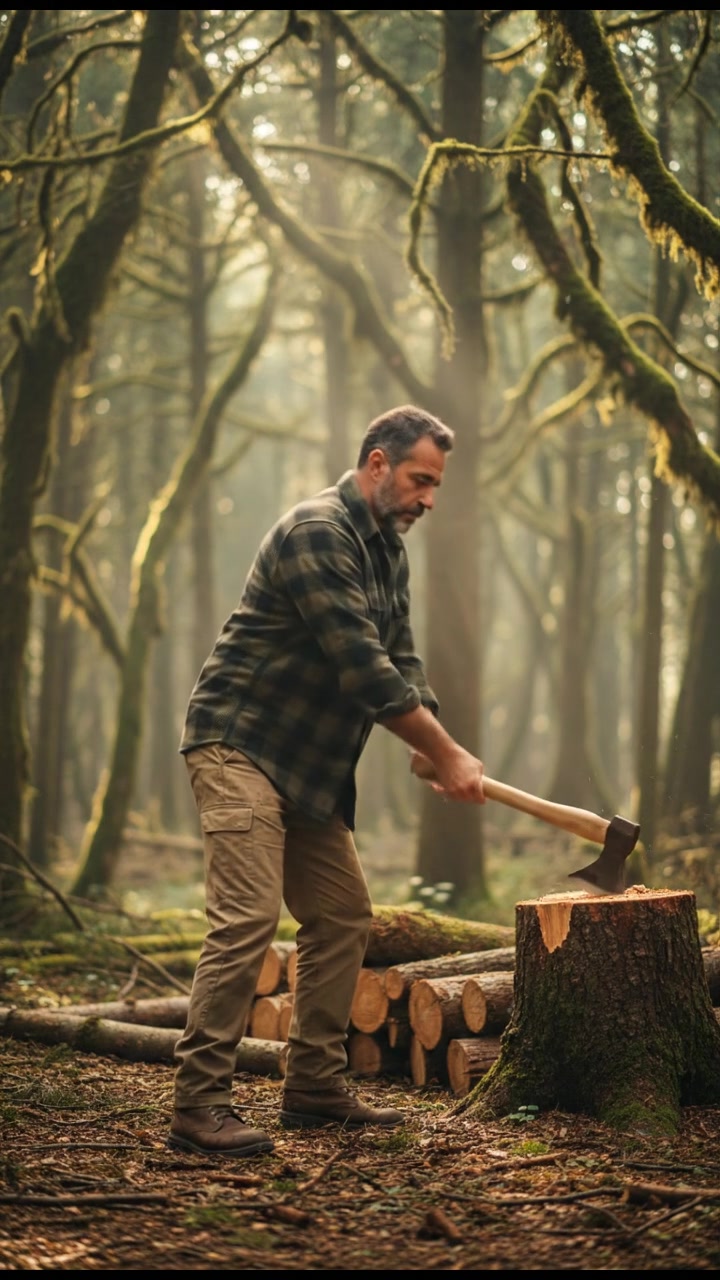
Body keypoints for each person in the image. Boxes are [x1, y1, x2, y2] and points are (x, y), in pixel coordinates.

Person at [167, 403, 486, 1159]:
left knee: (343, 916)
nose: (427, 499)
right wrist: (444, 751)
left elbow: (400, 662)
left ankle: (313, 1088)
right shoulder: (319, 530)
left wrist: (427, 729)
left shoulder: (387, 553)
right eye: (419, 479)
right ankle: (198, 1105)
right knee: (247, 918)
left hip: (308, 769)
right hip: (239, 744)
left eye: (436, 485)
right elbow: (361, 666)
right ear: (376, 463)